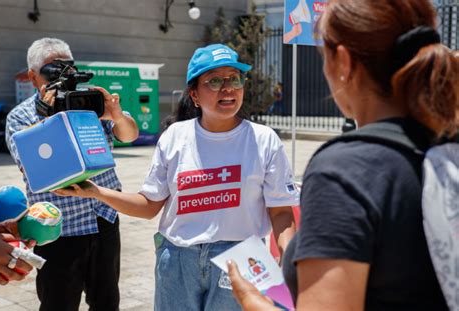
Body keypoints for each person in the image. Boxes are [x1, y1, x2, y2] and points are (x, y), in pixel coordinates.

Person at [228, 0, 458, 310]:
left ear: (343, 62)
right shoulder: (446, 145)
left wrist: (251, 300)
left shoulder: (345, 171)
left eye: (323, 55)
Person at [55, 43, 298, 311]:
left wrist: (289, 256)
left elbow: (281, 212)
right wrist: (95, 191)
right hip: (178, 260)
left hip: (243, 258)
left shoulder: (264, 140)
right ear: (194, 94)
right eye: (215, 80)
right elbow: (149, 206)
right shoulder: (175, 136)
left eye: (235, 78)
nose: (228, 87)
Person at [5, 37, 138, 311]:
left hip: (103, 217)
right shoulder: (21, 116)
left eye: (68, 68)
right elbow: (31, 167)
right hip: (56, 228)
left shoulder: (88, 102)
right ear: (33, 77)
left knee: (107, 301)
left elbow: (129, 134)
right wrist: (47, 117)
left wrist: (116, 114)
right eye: (52, 70)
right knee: (59, 303)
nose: (63, 77)